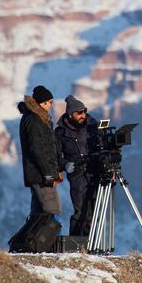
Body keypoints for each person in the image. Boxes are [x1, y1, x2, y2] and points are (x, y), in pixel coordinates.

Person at [54, 94, 100, 236]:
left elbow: (103, 145)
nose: (83, 115)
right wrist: (65, 164)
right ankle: (75, 244)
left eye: (84, 111)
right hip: (77, 176)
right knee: (80, 211)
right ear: (70, 114)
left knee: (96, 210)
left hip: (95, 172)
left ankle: (92, 245)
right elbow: (55, 156)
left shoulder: (92, 126)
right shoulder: (60, 132)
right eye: (79, 112)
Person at [17, 85, 62, 217]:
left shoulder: (39, 118)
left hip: (40, 174)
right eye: (50, 102)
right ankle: (51, 238)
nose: (52, 105)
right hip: (41, 175)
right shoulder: (34, 120)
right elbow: (36, 149)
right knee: (52, 211)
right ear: (43, 103)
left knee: (38, 214)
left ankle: (32, 238)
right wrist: (48, 173)